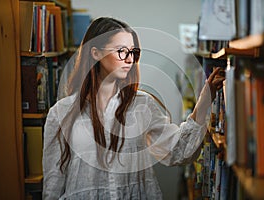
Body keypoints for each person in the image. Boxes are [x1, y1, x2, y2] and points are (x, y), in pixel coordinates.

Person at [42, 17, 225, 199]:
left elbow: (178, 151)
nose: (129, 60)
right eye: (121, 51)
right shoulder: (61, 113)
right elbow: (53, 184)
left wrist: (205, 100)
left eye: (133, 52)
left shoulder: (142, 105)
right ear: (95, 53)